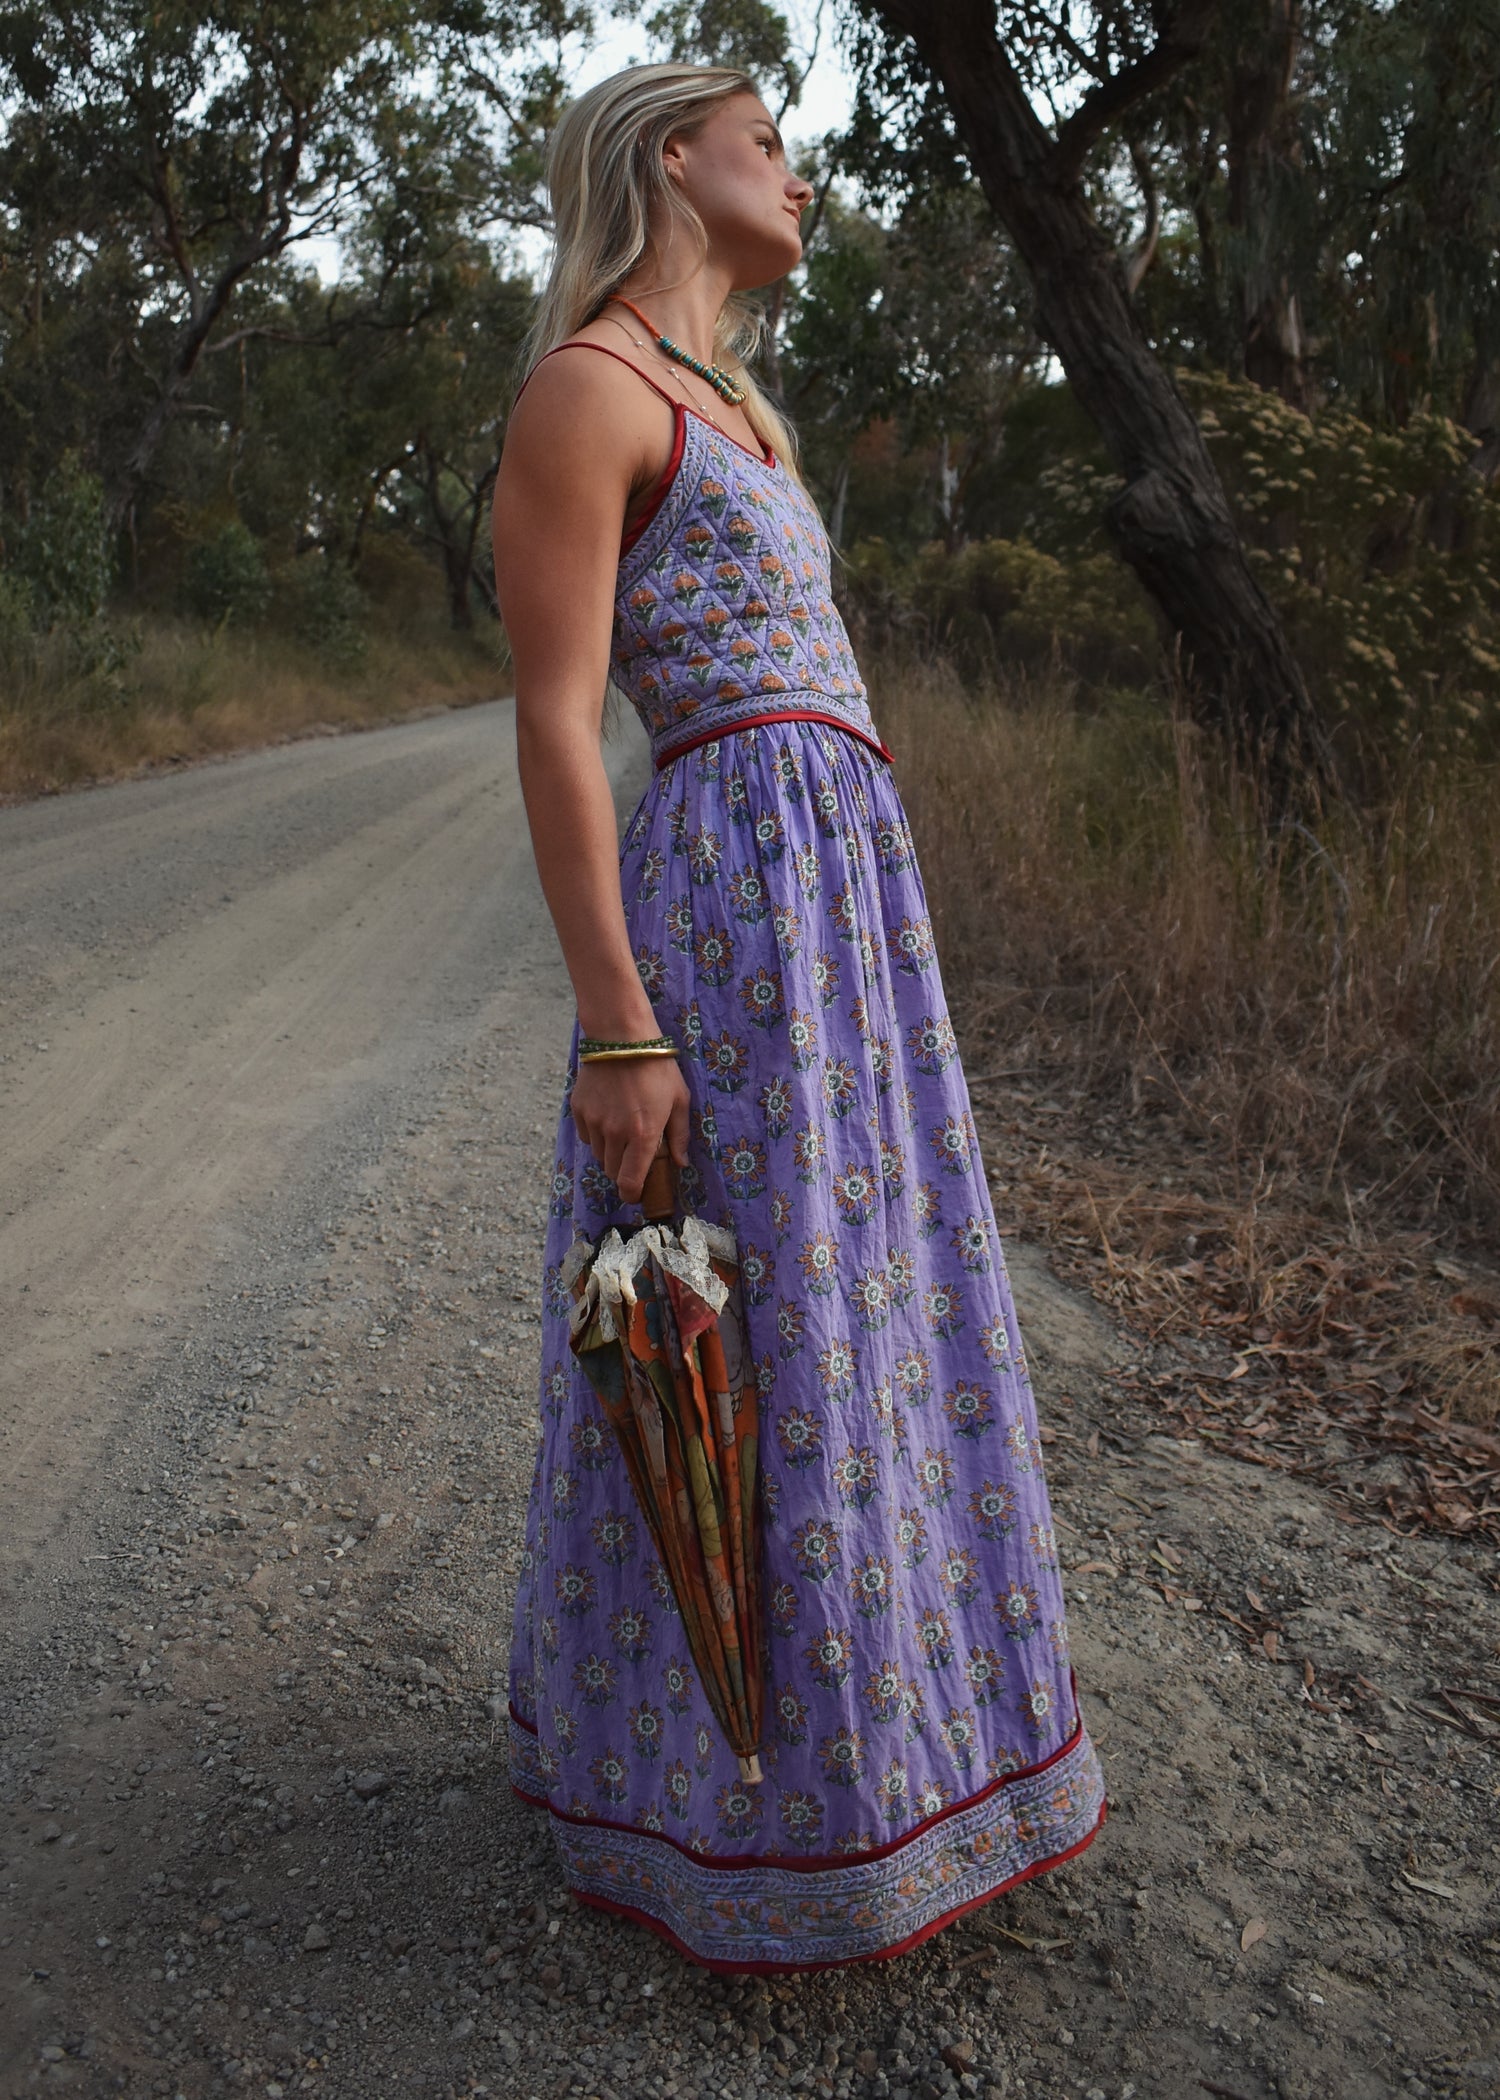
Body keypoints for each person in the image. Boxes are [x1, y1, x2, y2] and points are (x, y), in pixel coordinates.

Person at [490, 59, 1107, 1973]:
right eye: (775, 144)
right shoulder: (590, 393)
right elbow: (556, 719)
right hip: (730, 925)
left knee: (871, 1312)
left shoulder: (746, 409)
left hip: (850, 921)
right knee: (741, 1326)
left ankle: (895, 1767)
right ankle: (720, 1807)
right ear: (677, 156)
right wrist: (619, 1020)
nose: (806, 178)